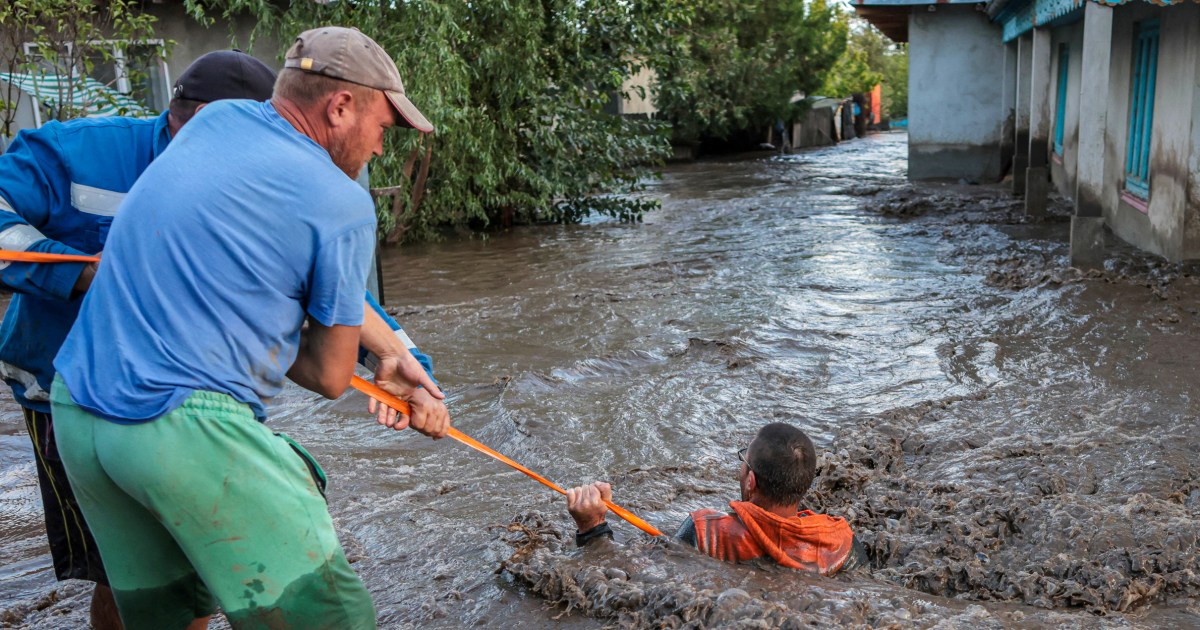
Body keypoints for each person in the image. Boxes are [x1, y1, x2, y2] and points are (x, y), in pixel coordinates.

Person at [0, 49, 444, 630]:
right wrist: (83, 272)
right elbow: (329, 368)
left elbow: (323, 290)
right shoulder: (336, 198)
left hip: (81, 403)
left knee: (170, 605)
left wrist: (403, 356)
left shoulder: (218, 130)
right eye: (384, 128)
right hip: (109, 398)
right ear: (339, 106)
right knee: (332, 617)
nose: (382, 148)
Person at [566, 423, 866, 576]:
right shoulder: (843, 542)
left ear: (750, 481)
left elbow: (629, 577)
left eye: (743, 460)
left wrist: (592, 528)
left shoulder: (704, 532)